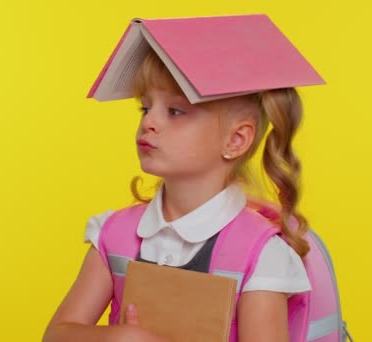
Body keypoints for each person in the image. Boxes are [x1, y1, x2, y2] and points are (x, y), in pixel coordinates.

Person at [43, 29, 316, 342]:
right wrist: (121, 338)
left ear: (235, 140)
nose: (149, 122)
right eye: (145, 108)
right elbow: (57, 335)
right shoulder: (112, 235)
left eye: (175, 111)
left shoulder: (260, 255)